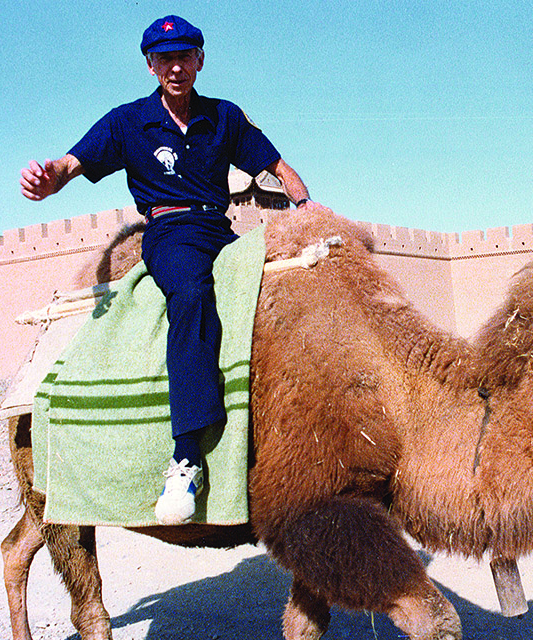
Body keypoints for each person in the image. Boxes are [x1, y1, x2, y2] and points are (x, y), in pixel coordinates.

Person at [20, 15, 332, 525]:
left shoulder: (224, 117)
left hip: (222, 229)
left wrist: (305, 204)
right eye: (165, 58)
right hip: (169, 232)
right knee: (190, 295)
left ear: (200, 61)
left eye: (185, 56)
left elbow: (277, 166)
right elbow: (69, 166)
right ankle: (185, 457)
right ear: (150, 66)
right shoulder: (127, 122)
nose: (176, 67)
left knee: (280, 295)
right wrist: (45, 178)